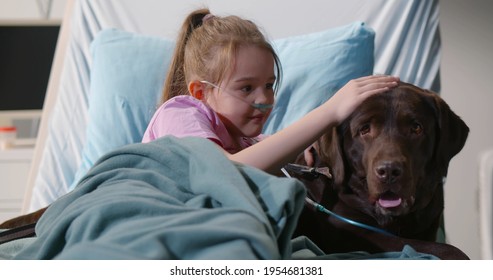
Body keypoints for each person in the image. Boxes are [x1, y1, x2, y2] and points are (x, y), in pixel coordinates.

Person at [142, 8, 399, 175]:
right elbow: (223, 171)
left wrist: (302, 155)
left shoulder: (250, 143)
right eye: (246, 88)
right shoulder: (178, 112)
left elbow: (270, 155)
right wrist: (329, 112)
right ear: (200, 92)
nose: (264, 99)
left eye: (269, 85)